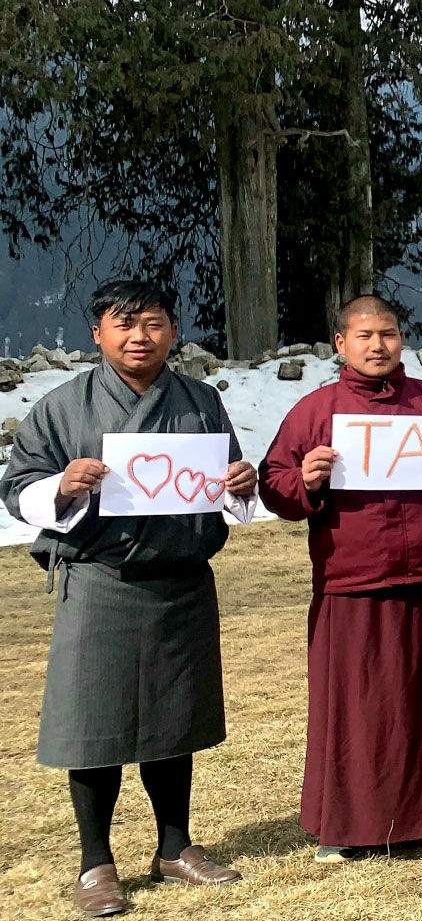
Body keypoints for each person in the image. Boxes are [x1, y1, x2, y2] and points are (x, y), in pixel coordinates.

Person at [0, 280, 253, 916]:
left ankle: (174, 847)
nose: (140, 336)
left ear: (173, 331)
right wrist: (62, 484)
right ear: (98, 333)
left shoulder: (200, 401)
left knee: (176, 719)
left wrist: (239, 485)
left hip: (181, 581)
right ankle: (95, 863)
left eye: (155, 323)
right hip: (99, 580)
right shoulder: (62, 406)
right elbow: (17, 487)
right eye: (125, 324)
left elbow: (230, 491)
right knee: (93, 724)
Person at [260, 295, 422, 862]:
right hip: (350, 577)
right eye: (364, 336)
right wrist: (305, 480)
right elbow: (273, 480)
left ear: (401, 339)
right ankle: (346, 827)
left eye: (387, 334)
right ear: (341, 344)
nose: (377, 346)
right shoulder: (318, 409)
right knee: (352, 709)